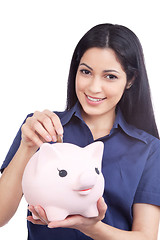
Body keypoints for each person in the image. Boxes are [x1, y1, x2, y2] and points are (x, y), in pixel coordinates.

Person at [0, 23, 160, 240]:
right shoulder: (41, 128)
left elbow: (146, 237)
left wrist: (91, 227)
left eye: (110, 76)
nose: (94, 87)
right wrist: (27, 147)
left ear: (130, 80)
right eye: (86, 72)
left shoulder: (148, 149)